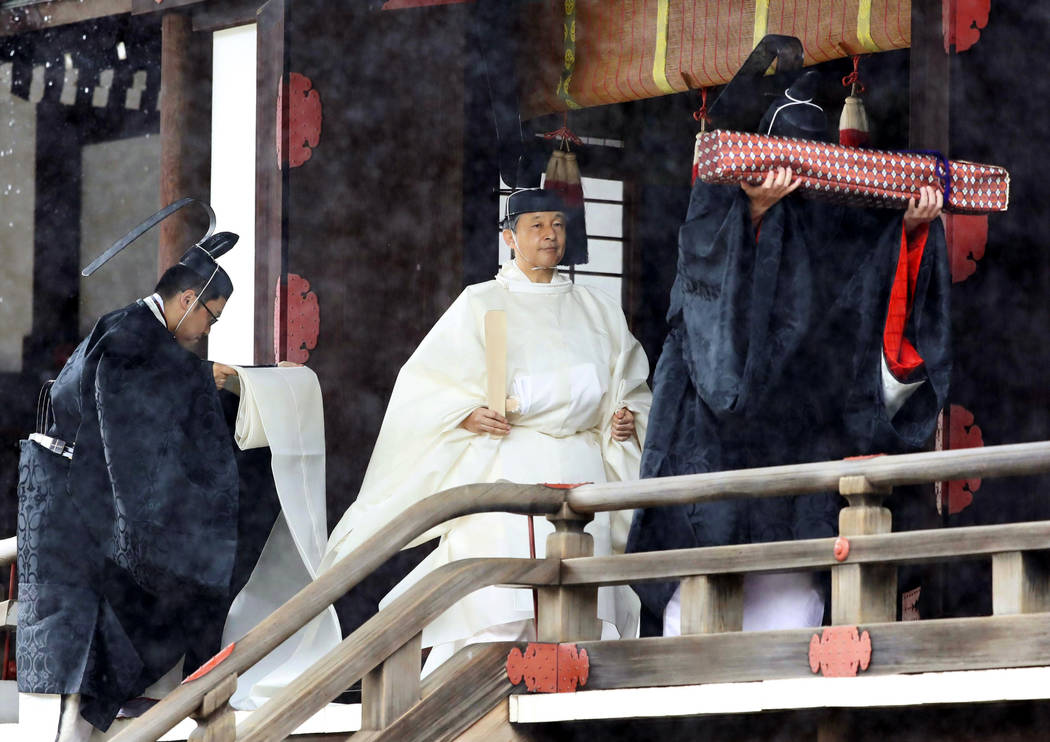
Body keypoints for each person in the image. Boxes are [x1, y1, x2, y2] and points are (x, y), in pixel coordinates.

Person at [627, 76, 952, 637]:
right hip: (715, 449)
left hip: (798, 455)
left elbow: (860, 308)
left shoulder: (827, 224)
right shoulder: (711, 224)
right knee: (703, 635)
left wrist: (911, 231)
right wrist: (750, 217)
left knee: (796, 623)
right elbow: (714, 350)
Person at [321, 188, 652, 673]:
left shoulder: (599, 308)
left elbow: (630, 385)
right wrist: (467, 412)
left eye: (558, 225)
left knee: (584, 609)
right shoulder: (479, 303)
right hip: (510, 460)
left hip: (583, 464)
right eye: (536, 225)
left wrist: (624, 416)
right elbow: (427, 386)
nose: (549, 235)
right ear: (509, 237)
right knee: (501, 608)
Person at [15, 212, 252, 739]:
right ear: (188, 300)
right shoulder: (130, 336)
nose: (207, 331)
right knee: (69, 670)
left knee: (82, 668)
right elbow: (135, 412)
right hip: (69, 505)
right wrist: (206, 378)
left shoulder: (135, 332)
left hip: (71, 497)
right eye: (210, 317)